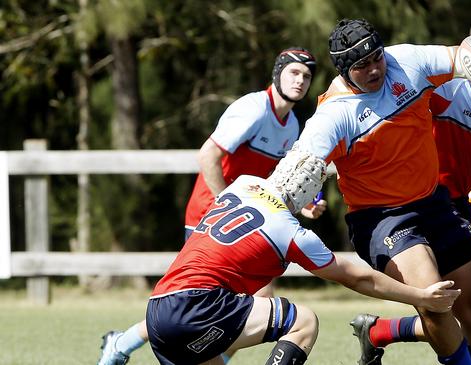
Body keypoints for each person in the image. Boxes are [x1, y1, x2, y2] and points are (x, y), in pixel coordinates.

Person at [293, 18, 471, 365]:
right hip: (382, 219)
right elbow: (300, 168)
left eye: (377, 57)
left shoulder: (407, 61)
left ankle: (383, 332)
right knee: (436, 299)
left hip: (434, 203)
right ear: (343, 69)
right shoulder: (334, 113)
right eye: (362, 66)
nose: (375, 69)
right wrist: (296, 200)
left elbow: (467, 53)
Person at [97, 47, 326, 365]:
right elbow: (207, 156)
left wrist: (301, 207)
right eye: (294, 72)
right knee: (203, 303)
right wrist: (226, 202)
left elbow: (276, 181)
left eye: (306, 76)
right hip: (212, 214)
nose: (300, 80)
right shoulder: (253, 109)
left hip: (245, 217)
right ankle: (122, 343)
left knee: (227, 304)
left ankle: (124, 343)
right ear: (277, 73)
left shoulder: (290, 126)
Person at [145, 148, 462, 365]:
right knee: (303, 322)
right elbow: (357, 277)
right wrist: (420, 296)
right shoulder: (292, 233)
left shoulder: (243, 185)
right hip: (199, 305)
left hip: (158, 307)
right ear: (309, 194)